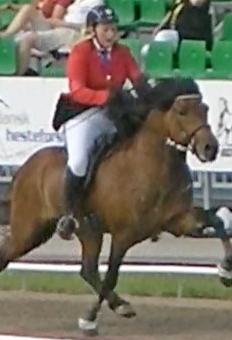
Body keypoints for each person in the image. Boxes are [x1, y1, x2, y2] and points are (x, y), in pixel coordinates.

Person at [53, 4, 149, 241]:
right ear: (93, 30)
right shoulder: (80, 52)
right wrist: (105, 97)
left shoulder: (123, 53)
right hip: (83, 114)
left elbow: (137, 79)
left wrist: (149, 96)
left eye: (113, 29)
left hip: (113, 113)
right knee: (78, 161)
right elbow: (77, 90)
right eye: (105, 29)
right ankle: (69, 214)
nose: (110, 34)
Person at [141, 0, 213, 58]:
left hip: (193, 36)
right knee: (146, 50)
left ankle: (157, 51)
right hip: (177, 35)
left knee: (163, 37)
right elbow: (170, 13)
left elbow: (196, 2)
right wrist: (160, 27)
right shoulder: (179, 3)